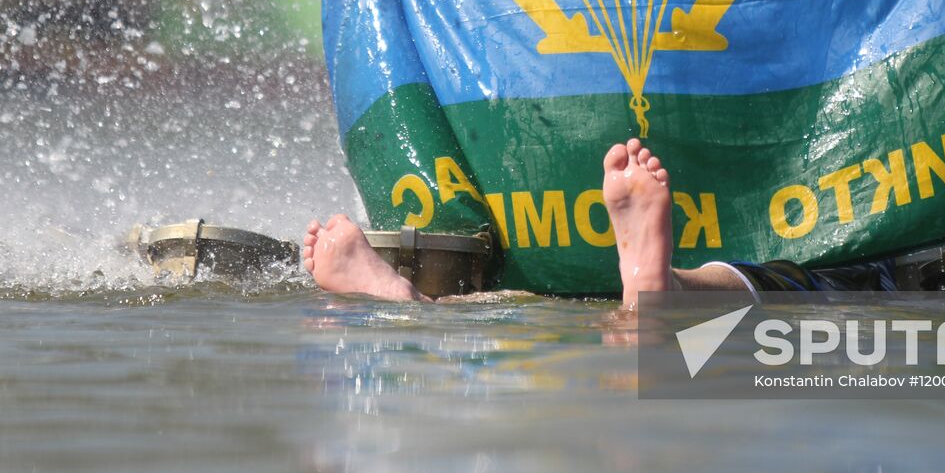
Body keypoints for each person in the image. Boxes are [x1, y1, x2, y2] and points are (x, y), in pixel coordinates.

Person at [303, 138, 895, 307]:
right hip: (839, 267)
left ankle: (406, 299)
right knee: (837, 280)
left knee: (533, 311)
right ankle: (659, 285)